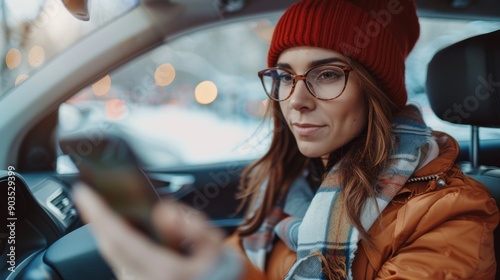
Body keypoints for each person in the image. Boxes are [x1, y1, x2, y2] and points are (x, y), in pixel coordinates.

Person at [73, 0, 499, 279]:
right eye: (282, 77)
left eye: (327, 74)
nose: (295, 101)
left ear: (378, 92)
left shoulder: (453, 214)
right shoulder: (290, 190)